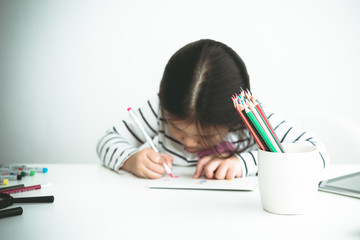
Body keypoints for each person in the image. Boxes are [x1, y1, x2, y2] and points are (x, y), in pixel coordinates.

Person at [96, 39, 329, 180]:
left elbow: (319, 154)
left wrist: (243, 163)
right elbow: (107, 140)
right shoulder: (160, 109)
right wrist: (131, 159)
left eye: (204, 136)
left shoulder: (249, 119)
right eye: (178, 130)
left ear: (231, 118)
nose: (190, 143)